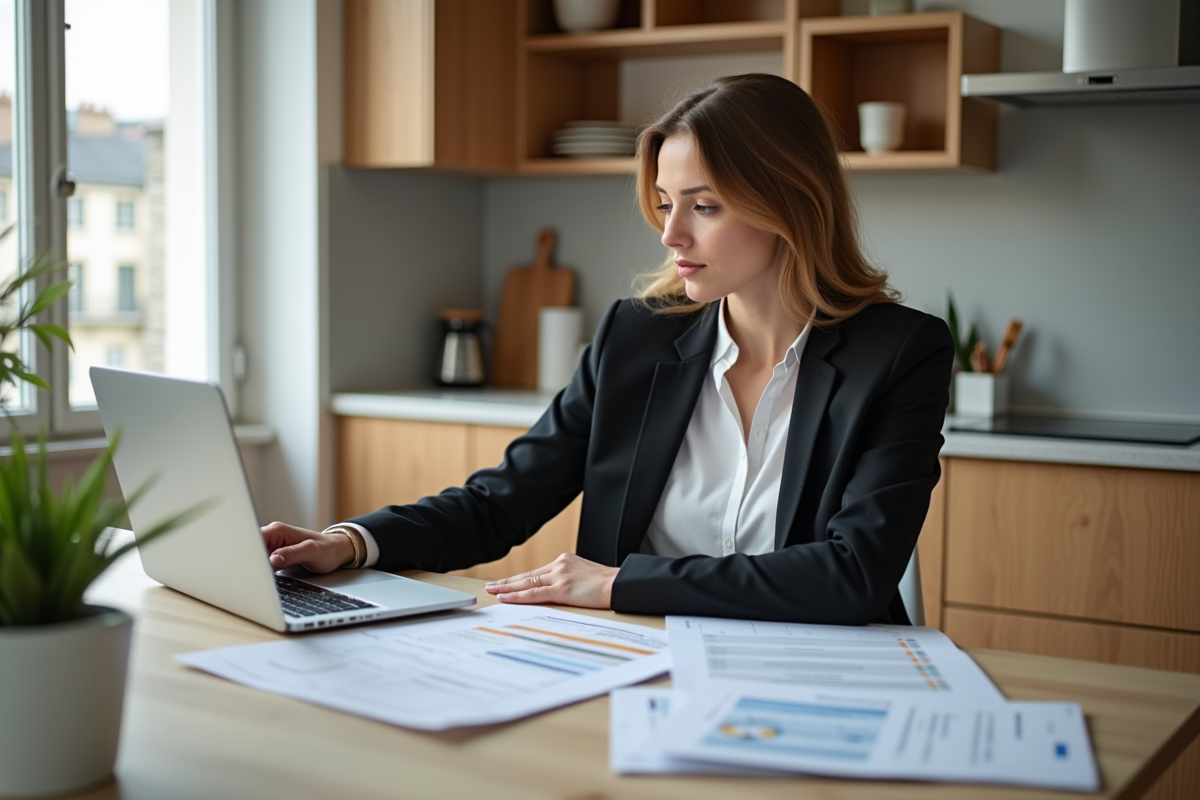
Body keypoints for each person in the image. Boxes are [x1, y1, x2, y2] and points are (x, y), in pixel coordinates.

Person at [263, 73, 953, 625]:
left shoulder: (899, 352)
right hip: (631, 659)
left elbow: (853, 576)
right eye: (664, 203)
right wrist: (350, 542)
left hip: (820, 670)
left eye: (704, 206)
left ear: (791, 204)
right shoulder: (635, 336)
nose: (671, 235)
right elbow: (500, 502)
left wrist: (622, 582)